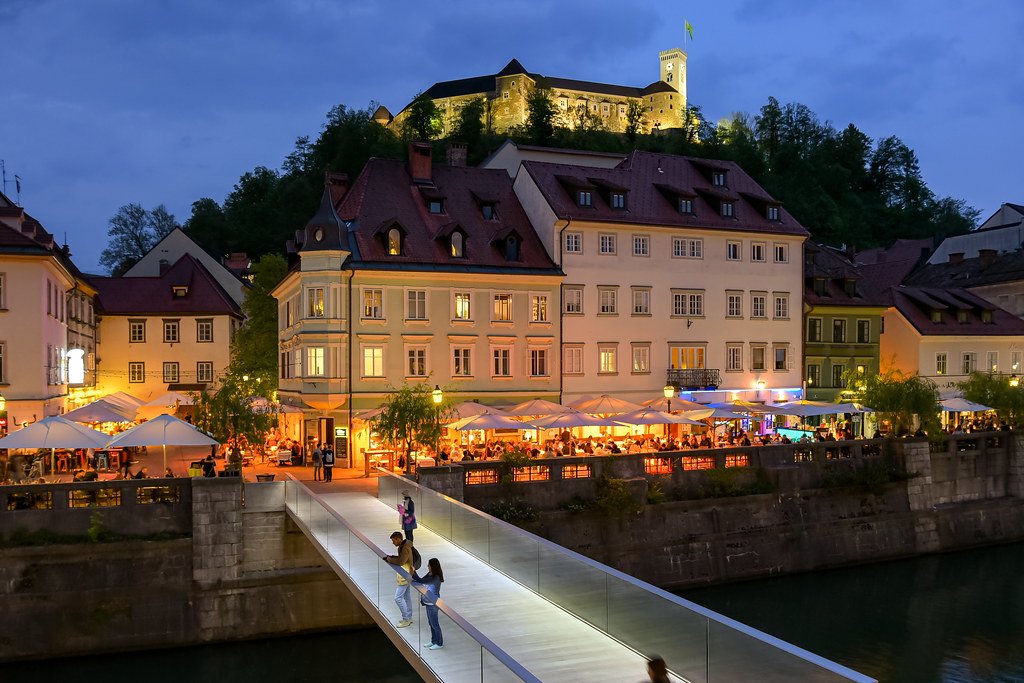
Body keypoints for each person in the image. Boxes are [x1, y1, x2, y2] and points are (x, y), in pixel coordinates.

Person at [382, 531, 414, 627]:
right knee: (407, 597)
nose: (393, 543)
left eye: (393, 540)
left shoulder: (404, 548)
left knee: (398, 598)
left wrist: (390, 559)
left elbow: (401, 561)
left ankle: (406, 619)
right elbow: (402, 559)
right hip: (408, 574)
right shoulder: (404, 547)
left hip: (404, 576)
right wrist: (391, 557)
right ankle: (409, 617)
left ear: (398, 539)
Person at [412, 557, 445, 650]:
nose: (427, 566)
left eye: (429, 565)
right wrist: (414, 574)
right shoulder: (430, 574)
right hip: (427, 602)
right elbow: (421, 580)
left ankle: (439, 643)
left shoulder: (436, 577)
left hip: (433, 604)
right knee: (431, 623)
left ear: (432, 566)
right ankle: (433, 640)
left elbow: (422, 581)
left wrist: (413, 572)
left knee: (435, 624)